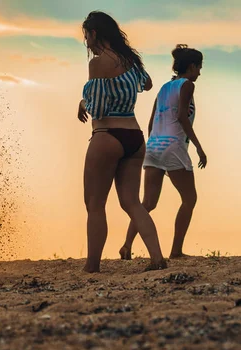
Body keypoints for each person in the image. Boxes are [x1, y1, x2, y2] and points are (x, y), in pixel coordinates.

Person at [78, 11, 167, 273]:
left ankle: (92, 265)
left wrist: (84, 101)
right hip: (134, 137)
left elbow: (99, 107)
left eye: (87, 36)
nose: (87, 43)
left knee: (95, 205)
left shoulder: (97, 63)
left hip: (107, 135)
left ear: (94, 33)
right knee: (132, 202)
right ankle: (157, 257)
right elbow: (148, 84)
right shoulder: (131, 60)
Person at [119, 44, 206, 260]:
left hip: (154, 146)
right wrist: (198, 146)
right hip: (173, 146)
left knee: (147, 203)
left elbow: (151, 121)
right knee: (190, 198)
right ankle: (176, 251)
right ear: (192, 66)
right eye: (199, 68)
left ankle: (126, 246)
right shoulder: (186, 85)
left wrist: (152, 144)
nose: (200, 73)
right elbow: (182, 118)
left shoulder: (164, 87)